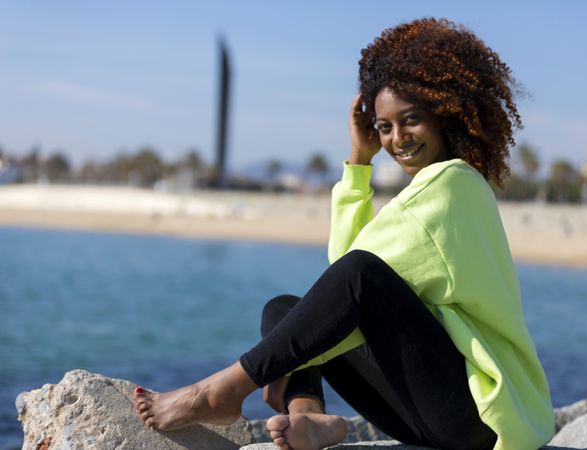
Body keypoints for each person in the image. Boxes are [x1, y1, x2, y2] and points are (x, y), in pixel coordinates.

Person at [133, 18, 555, 450]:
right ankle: (308, 414)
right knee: (284, 309)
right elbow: (339, 292)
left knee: (347, 285)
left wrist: (274, 363)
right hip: (431, 415)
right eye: (384, 126)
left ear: (445, 113)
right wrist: (358, 162)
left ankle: (220, 390)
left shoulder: (452, 187)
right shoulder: (448, 186)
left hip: (484, 421)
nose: (397, 139)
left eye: (411, 120)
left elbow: (351, 277)